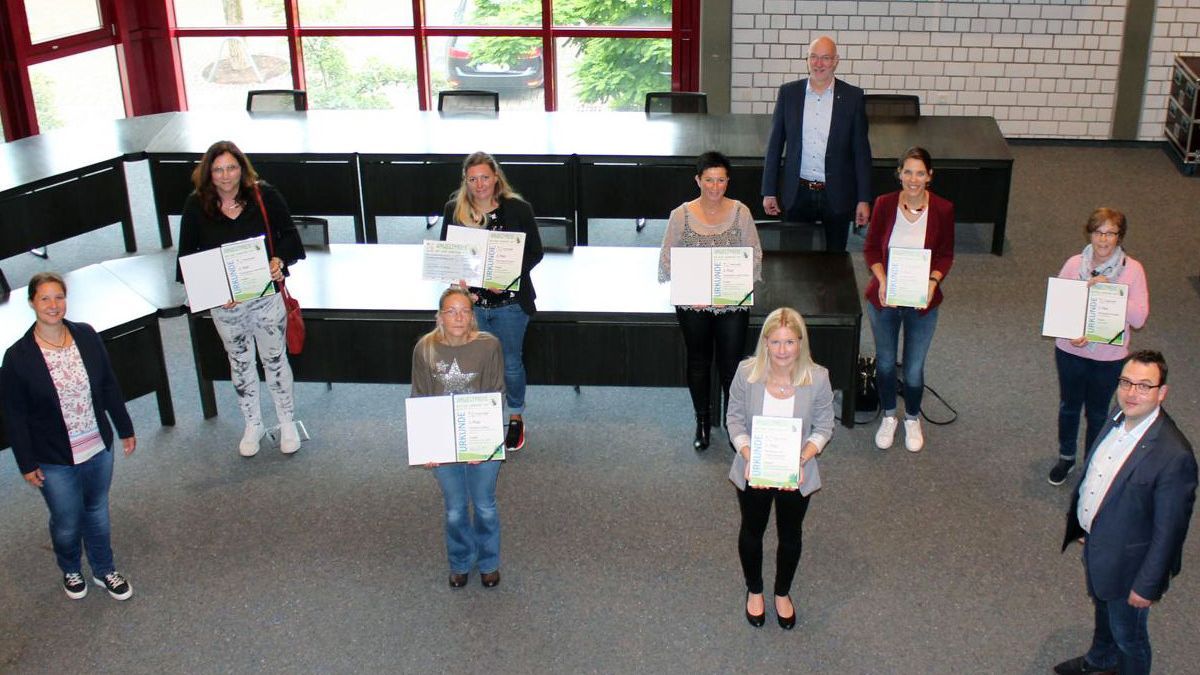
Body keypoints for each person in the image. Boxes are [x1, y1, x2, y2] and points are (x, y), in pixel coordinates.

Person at [1055, 350, 1197, 675]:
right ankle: (1100, 660)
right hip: (1099, 545)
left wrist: (1146, 586)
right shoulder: (1116, 417)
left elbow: (1170, 532)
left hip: (1131, 568)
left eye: (1144, 386)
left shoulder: (1174, 456)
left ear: (1162, 392)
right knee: (1103, 610)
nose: (1132, 393)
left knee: (1129, 638)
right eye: (1126, 382)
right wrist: (1084, 523)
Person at [1, 272, 138, 600]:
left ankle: (104, 570)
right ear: (32, 302)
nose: (53, 305)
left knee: (96, 511)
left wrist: (125, 427)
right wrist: (25, 462)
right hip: (53, 457)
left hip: (96, 446)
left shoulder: (86, 336)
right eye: (45, 298)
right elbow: (15, 416)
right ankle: (70, 567)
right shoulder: (18, 358)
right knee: (66, 520)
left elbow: (107, 384)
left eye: (58, 297)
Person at [177, 140, 306, 457]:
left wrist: (279, 262)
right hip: (226, 307)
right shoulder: (196, 206)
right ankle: (253, 424)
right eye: (218, 169)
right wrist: (216, 292)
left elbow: (289, 237)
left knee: (275, 360)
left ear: (242, 168)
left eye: (231, 167)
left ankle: (286, 421)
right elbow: (186, 260)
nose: (225, 176)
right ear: (208, 173)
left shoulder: (264, 195)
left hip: (265, 300)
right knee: (240, 364)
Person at [726, 307, 834, 630]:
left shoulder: (817, 378)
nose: (782, 350)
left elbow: (825, 425)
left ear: (801, 343)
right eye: (775, 342)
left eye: (789, 342)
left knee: (790, 535)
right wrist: (747, 452)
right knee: (752, 529)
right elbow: (733, 419)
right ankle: (755, 589)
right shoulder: (747, 373)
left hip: (795, 472)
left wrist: (803, 456)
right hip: (754, 469)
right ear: (765, 342)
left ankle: (782, 592)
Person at [659, 151, 763, 450]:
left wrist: (729, 286)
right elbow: (667, 259)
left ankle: (734, 425)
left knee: (732, 365)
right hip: (695, 304)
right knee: (699, 362)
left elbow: (754, 254)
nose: (715, 187)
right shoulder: (681, 215)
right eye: (708, 180)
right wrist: (696, 289)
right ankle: (702, 421)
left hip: (731, 301)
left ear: (728, 182)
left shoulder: (741, 212)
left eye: (720, 181)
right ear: (698, 180)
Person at [440, 151, 543, 452]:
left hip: (509, 304)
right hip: (470, 306)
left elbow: (535, 252)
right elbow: (449, 252)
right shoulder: (454, 209)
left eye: (485, 177)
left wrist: (508, 276)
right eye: (473, 179)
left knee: (510, 364)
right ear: (465, 181)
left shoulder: (518, 209)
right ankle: (480, 420)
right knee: (473, 365)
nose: (480, 184)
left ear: (496, 177)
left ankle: (515, 417)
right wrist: (456, 277)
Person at [411, 286, 506, 588]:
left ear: (472, 316)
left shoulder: (489, 345)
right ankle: (461, 562)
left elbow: (497, 393)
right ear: (439, 316)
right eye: (451, 311)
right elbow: (420, 397)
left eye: (465, 311)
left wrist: (484, 440)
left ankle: (489, 562)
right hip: (443, 442)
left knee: (484, 506)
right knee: (454, 510)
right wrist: (426, 447)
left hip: (482, 439)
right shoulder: (425, 348)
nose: (458, 317)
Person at [1048, 208, 1149, 486]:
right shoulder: (1073, 264)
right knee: (1069, 406)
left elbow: (1139, 318)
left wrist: (1111, 293)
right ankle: (1066, 457)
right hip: (1070, 351)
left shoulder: (1133, 270)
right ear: (1090, 234)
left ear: (1119, 237)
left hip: (1109, 356)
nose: (1103, 240)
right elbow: (1060, 307)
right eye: (1098, 232)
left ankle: (1092, 461)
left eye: (1110, 233)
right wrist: (1071, 333)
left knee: (1097, 412)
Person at [862, 146, 954, 453]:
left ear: (930, 176)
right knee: (886, 363)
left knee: (914, 368)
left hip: (922, 301)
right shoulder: (885, 204)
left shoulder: (942, 209)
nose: (913, 179)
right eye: (907, 172)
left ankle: (912, 418)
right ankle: (890, 416)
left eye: (920, 173)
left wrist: (932, 282)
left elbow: (945, 254)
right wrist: (883, 280)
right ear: (899, 173)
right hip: (885, 298)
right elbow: (872, 249)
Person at [761, 35, 872, 252]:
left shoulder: (853, 97)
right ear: (807, 59)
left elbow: (861, 152)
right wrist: (769, 190)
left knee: (835, 262)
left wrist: (864, 198)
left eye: (825, 58)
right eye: (814, 57)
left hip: (837, 193)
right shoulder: (789, 93)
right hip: (797, 192)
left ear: (835, 61)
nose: (818, 64)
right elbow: (774, 145)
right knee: (794, 262)